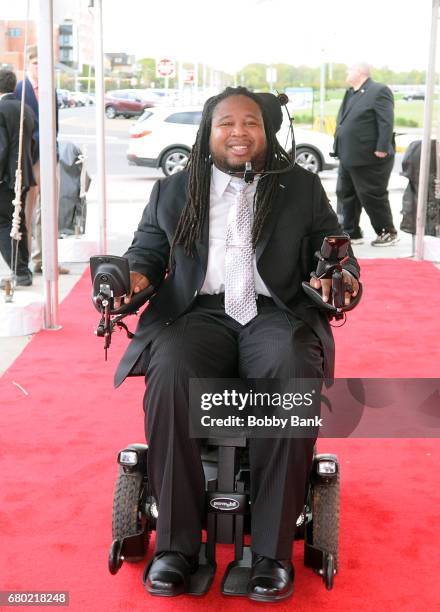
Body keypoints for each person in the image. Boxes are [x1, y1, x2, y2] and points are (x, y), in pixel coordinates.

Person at [114, 87, 360, 602]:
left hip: (275, 312)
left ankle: (271, 555)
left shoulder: (301, 187)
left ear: (266, 132)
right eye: (227, 123)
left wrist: (345, 280)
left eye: (251, 123)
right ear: (209, 132)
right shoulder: (174, 190)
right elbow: (146, 254)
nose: (239, 132)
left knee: (288, 367)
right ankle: (176, 548)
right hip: (198, 312)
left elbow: (336, 252)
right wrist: (130, 283)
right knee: (172, 366)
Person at [15, 45, 69, 274]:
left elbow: (54, 125)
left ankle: (45, 259)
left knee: (49, 209)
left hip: (49, 155)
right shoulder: (19, 89)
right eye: (36, 63)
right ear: (28, 63)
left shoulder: (51, 89)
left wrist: (53, 149)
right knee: (27, 210)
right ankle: (25, 262)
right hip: (28, 157)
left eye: (43, 64)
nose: (40, 68)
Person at [333, 62, 399, 246]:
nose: (347, 71)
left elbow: (386, 120)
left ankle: (387, 232)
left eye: (350, 68)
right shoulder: (351, 92)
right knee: (345, 193)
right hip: (348, 155)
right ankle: (351, 232)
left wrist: (382, 147)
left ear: (360, 71)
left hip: (369, 156)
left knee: (371, 195)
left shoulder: (379, 90)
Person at [0, 69, 36, 287]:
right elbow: (32, 144)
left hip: (5, 178)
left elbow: (1, 148)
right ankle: (23, 269)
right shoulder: (26, 108)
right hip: (22, 175)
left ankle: (20, 271)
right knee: (18, 221)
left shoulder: (1, 109)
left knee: (4, 223)